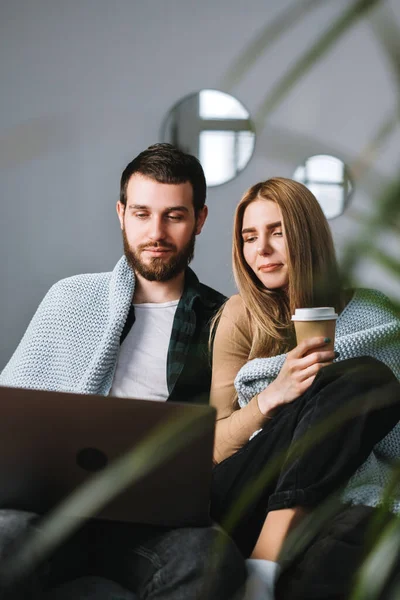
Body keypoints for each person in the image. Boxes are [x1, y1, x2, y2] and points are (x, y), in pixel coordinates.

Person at [0, 143, 247, 600]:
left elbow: (240, 431)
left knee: (211, 562)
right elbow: (13, 407)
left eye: (174, 215)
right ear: (120, 213)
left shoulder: (227, 319)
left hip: (156, 523)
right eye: (141, 213)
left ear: (201, 219)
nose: (156, 232)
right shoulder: (71, 300)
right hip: (51, 508)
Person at [209, 177, 400, 598]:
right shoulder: (241, 316)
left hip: (340, 486)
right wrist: (273, 395)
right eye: (249, 237)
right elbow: (214, 448)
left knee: (356, 533)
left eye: (277, 232)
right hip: (245, 490)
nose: (261, 250)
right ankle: (262, 564)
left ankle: (270, 572)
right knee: (363, 375)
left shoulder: (371, 314)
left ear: (307, 235)